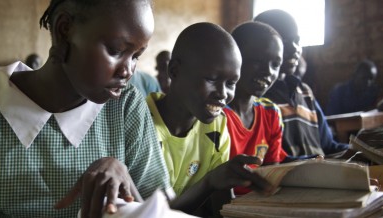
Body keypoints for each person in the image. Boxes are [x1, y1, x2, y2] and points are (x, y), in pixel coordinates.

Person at [0, 0, 170, 217]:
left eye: (136, 55)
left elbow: (160, 207)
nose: (128, 71)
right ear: (64, 29)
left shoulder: (125, 105)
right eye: (115, 50)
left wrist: (124, 178)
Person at [146, 22, 274, 216]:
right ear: (174, 71)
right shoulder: (141, 121)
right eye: (212, 79)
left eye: (231, 83)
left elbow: (220, 207)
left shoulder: (218, 125)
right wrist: (210, 182)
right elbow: (153, 213)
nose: (223, 94)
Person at [255, 9, 349, 157]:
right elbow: (271, 162)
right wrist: (318, 163)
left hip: (322, 174)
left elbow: (328, 146)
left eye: (297, 41)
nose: (294, 48)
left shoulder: (304, 92)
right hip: (288, 178)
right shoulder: (258, 98)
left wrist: (364, 150)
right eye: (285, 42)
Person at [224, 22, 288, 195]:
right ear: (234, 57)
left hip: (258, 204)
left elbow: (271, 175)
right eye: (257, 61)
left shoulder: (271, 114)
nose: (268, 72)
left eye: (275, 64)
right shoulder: (215, 115)